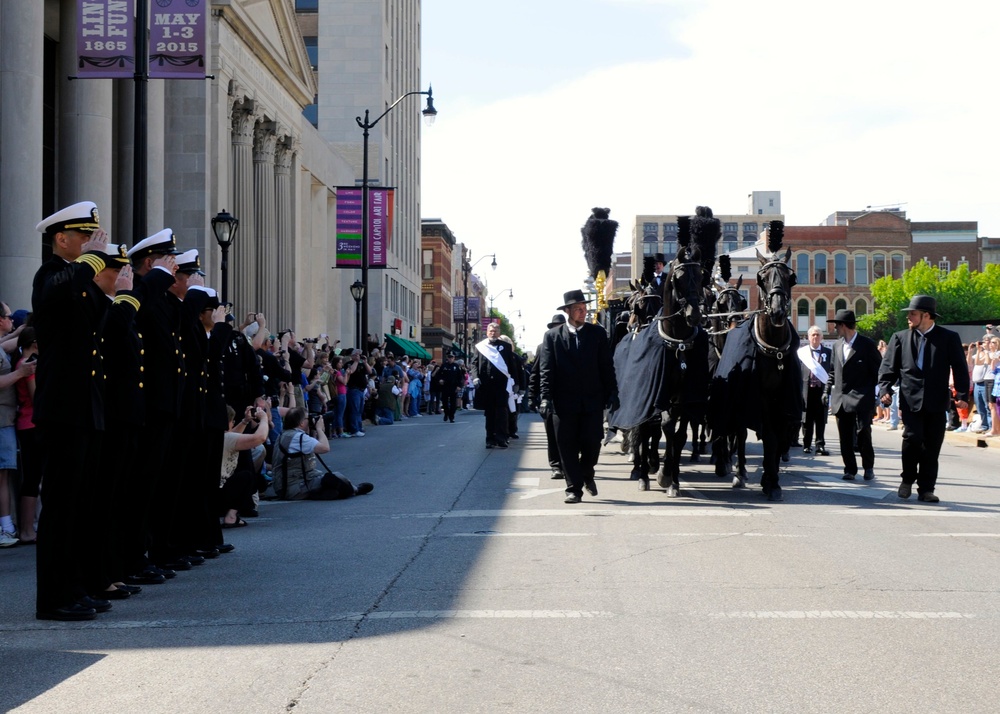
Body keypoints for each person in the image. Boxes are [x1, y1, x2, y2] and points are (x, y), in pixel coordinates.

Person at [32, 201, 112, 620]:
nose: (91, 245)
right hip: (62, 410)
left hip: (84, 409)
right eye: (85, 238)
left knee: (80, 505)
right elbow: (61, 288)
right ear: (61, 239)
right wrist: (94, 261)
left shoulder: (80, 284)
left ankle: (75, 587)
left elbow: (101, 324)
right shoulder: (50, 275)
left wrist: (105, 284)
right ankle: (53, 598)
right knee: (61, 506)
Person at [878, 295, 969, 503]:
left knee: (932, 445)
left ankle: (927, 489)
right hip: (910, 400)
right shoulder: (900, 337)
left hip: (937, 401)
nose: (909, 317)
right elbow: (888, 368)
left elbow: (960, 367)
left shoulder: (948, 338)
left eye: (913, 313)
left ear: (926, 315)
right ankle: (907, 479)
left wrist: (962, 394)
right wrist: (885, 389)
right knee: (912, 439)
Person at [538, 290, 617, 504]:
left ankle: (587, 473)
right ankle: (573, 488)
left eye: (584, 308)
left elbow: (606, 366)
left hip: (592, 401)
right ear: (567, 311)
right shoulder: (552, 337)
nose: (583, 312)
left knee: (592, 443)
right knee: (567, 446)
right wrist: (545, 398)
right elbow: (547, 371)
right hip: (563, 403)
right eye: (578, 309)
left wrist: (613, 392)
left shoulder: (597, 334)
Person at [825, 310, 882, 481]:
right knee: (845, 436)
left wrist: (875, 392)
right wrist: (826, 390)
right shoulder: (836, 345)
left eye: (837, 325)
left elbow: (877, 370)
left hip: (861, 397)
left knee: (863, 431)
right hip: (841, 398)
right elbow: (833, 372)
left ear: (844, 326)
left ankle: (868, 466)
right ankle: (850, 468)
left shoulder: (866, 344)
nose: (835, 328)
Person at [272, 407, 373, 500]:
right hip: (295, 487)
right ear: (302, 423)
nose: (311, 420)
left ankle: (324, 493)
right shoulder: (298, 438)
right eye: (308, 418)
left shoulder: (284, 435)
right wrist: (319, 429)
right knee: (333, 477)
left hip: (284, 487)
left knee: (328, 483)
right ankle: (354, 489)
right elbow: (325, 448)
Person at [0, 302, 36, 548]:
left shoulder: (16, 354)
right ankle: (17, 528)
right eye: (8, 317)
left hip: (18, 420)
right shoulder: (28, 364)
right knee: (28, 478)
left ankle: (18, 527)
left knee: (26, 477)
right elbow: (36, 397)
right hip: (22, 422)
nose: (11, 320)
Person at [531, 313, 566, 479]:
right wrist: (531, 396)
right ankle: (556, 466)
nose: (557, 329)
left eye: (560, 326)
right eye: (555, 326)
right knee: (552, 434)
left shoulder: (572, 343)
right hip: (550, 398)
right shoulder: (542, 346)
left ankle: (569, 463)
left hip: (570, 396)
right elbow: (536, 372)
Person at [474, 322, 518, 448]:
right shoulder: (481, 347)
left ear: (499, 333)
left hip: (502, 385)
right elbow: (474, 363)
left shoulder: (506, 346)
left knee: (502, 412)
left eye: (495, 331)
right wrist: (475, 377)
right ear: (487, 332)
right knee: (489, 413)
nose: (493, 333)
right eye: (490, 331)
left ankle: (501, 438)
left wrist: (516, 383)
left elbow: (511, 365)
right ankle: (490, 439)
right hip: (486, 385)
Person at [797, 325, 831, 456]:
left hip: (822, 390)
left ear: (822, 337)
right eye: (813, 335)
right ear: (808, 337)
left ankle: (820, 445)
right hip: (807, 390)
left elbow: (831, 371)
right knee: (807, 419)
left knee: (821, 419)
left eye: (818, 334)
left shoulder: (828, 353)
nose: (815, 337)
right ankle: (807, 444)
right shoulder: (802, 353)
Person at [437, 352, 463, 422]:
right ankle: (446, 413)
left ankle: (452, 416)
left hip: (453, 386)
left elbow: (460, 377)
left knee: (453, 403)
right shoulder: (444, 366)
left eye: (452, 358)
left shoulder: (456, 366)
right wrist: (440, 379)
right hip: (445, 386)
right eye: (449, 358)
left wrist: (459, 386)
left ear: (454, 358)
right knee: (445, 402)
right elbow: (439, 374)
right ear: (447, 358)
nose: (450, 359)